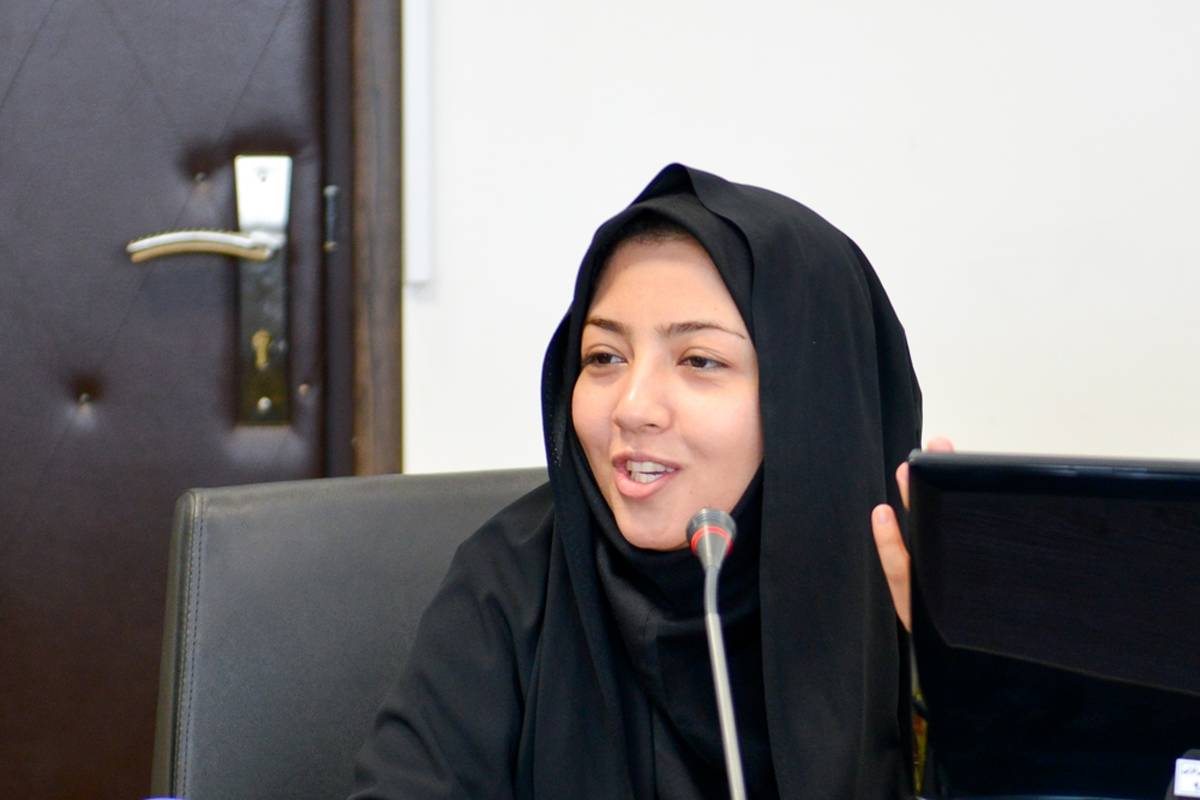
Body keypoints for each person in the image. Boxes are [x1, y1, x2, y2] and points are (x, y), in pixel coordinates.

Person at [351, 164, 927, 799]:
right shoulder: (511, 581)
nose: (632, 407)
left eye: (699, 360)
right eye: (604, 357)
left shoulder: (911, 591)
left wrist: (971, 694)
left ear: (813, 400)